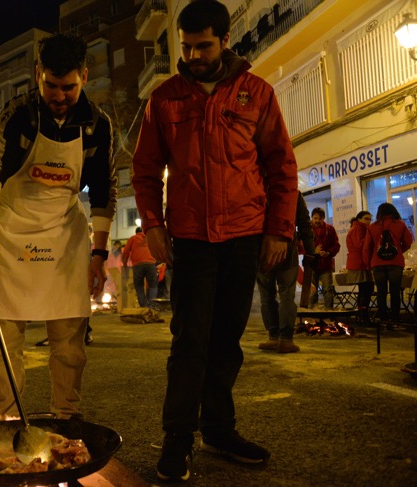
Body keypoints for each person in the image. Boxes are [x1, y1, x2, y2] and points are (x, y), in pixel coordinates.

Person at [130, 0, 298, 480]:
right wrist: (152, 225)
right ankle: (177, 440)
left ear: (226, 41)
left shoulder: (257, 94)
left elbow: (281, 167)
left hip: (245, 236)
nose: (194, 55)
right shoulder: (164, 98)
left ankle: (219, 431)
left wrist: (278, 230)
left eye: (204, 45)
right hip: (191, 239)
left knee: (227, 341)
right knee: (190, 343)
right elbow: (145, 171)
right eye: (187, 47)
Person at [0, 32, 116, 419]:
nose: (59, 95)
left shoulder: (98, 126)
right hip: (10, 234)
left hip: (64, 236)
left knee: (69, 344)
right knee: (5, 342)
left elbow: (104, 192)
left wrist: (99, 255)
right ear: (38, 75)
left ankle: (65, 416)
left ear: (84, 76)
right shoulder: (17, 113)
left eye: (68, 87)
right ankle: (4, 418)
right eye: (51, 85)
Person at [256, 192, 315, 353]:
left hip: (262, 250)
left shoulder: (255, 187)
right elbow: (304, 223)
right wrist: (310, 250)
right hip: (287, 249)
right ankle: (286, 339)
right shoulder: (291, 192)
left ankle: (273, 337)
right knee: (287, 294)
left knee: (266, 296)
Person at [363, 203, 413, 322]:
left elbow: (367, 248)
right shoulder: (400, 224)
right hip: (395, 263)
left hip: (377, 263)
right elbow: (408, 242)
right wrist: (398, 251)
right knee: (395, 292)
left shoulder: (372, 226)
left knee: (381, 292)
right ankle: (395, 319)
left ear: (379, 213)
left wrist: (368, 264)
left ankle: (383, 319)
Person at [310, 207, 341, 309]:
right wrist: (314, 252)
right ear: (312, 218)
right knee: (311, 290)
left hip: (326, 264)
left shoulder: (330, 229)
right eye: (315, 218)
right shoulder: (307, 229)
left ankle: (329, 313)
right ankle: (312, 313)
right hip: (311, 265)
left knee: (327, 290)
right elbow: (301, 246)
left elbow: (336, 245)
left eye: (320, 218)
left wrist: (328, 253)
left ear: (323, 218)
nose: (317, 221)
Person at [346, 211, 374, 323]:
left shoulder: (359, 228)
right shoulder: (358, 229)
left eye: (370, 219)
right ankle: (363, 315)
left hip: (359, 262)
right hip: (359, 263)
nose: (368, 221)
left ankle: (362, 314)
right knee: (366, 288)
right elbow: (361, 245)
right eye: (366, 218)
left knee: (365, 288)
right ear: (359, 219)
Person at [122, 227, 158, 308]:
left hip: (137, 265)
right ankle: (151, 307)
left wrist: (124, 264)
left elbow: (126, 252)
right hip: (150, 263)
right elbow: (157, 248)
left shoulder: (132, 238)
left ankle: (144, 306)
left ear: (136, 232)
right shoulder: (150, 238)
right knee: (153, 285)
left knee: (139, 286)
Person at [105, 239, 123, 312]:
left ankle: (116, 301)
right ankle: (113, 300)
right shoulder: (110, 254)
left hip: (118, 272)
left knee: (117, 287)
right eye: (115, 245)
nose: (116, 246)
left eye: (117, 245)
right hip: (110, 272)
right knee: (110, 287)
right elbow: (107, 263)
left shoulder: (121, 254)